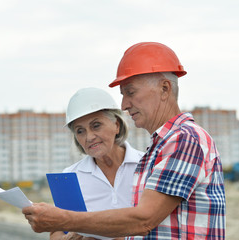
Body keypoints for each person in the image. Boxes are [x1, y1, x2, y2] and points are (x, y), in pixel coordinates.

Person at [23, 42, 226, 239]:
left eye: (130, 92)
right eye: (80, 131)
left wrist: (64, 219)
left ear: (165, 89)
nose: (124, 104)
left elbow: (143, 221)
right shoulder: (158, 149)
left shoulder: (185, 139)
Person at [50, 87, 143, 240]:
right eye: (80, 131)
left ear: (117, 125)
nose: (89, 137)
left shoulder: (148, 165)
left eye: (96, 125)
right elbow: (57, 232)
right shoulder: (69, 176)